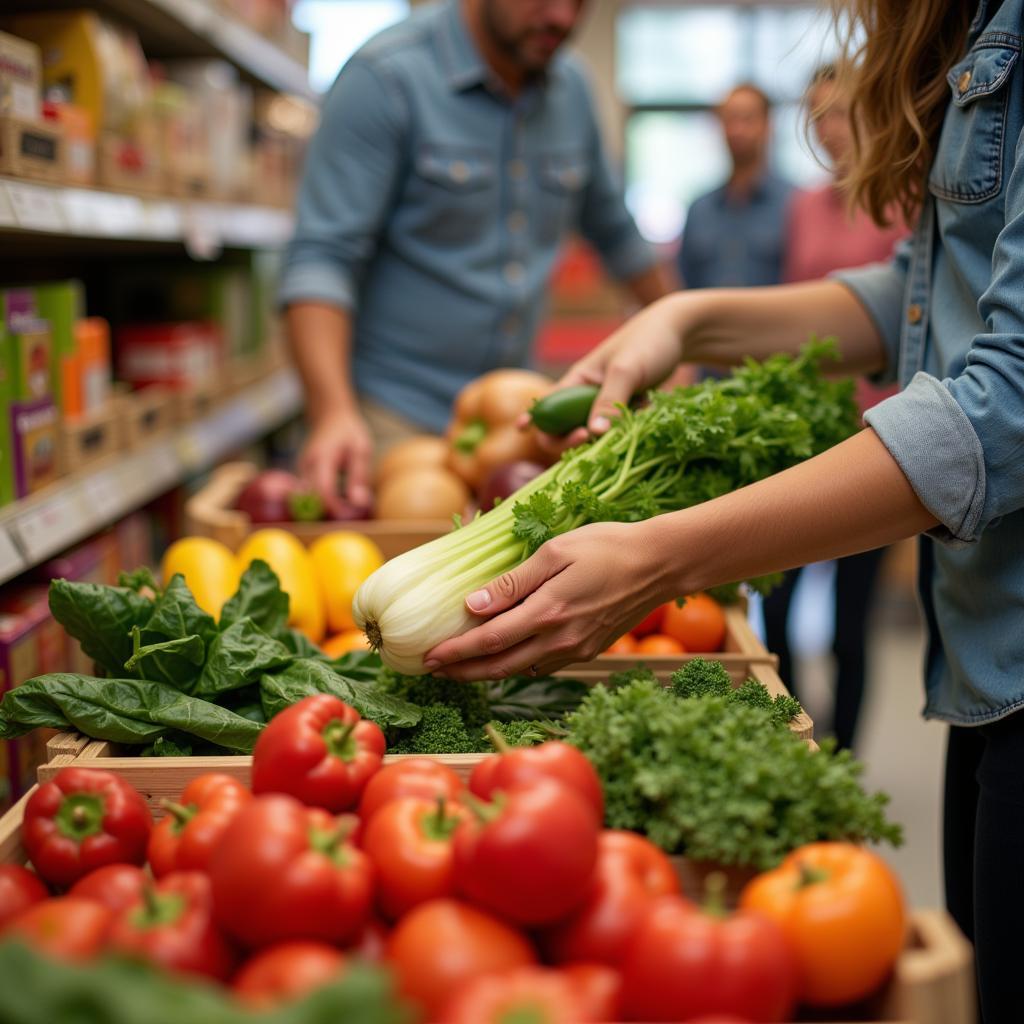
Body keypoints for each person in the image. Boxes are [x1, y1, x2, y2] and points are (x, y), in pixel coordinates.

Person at [426, 1, 1024, 1017]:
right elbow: (915, 300)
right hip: (985, 655)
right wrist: (688, 319)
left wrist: (664, 556)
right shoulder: (972, 28)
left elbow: (1003, 402)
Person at [280, 0, 671, 507]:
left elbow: (618, 235)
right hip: (392, 418)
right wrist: (331, 410)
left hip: (515, 421)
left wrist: (677, 333)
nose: (562, 18)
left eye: (581, 2)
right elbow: (322, 257)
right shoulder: (387, 77)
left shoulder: (572, 88)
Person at [761, 64, 908, 751]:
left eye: (840, 113)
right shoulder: (801, 205)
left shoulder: (903, 202)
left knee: (851, 623)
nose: (827, 130)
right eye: (816, 116)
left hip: (876, 440)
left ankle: (844, 753)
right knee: (781, 610)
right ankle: (799, 739)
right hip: (802, 432)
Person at [677, 84, 793, 293]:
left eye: (747, 119)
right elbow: (682, 286)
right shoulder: (699, 209)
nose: (737, 130)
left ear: (768, 125)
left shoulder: (795, 205)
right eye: (729, 119)